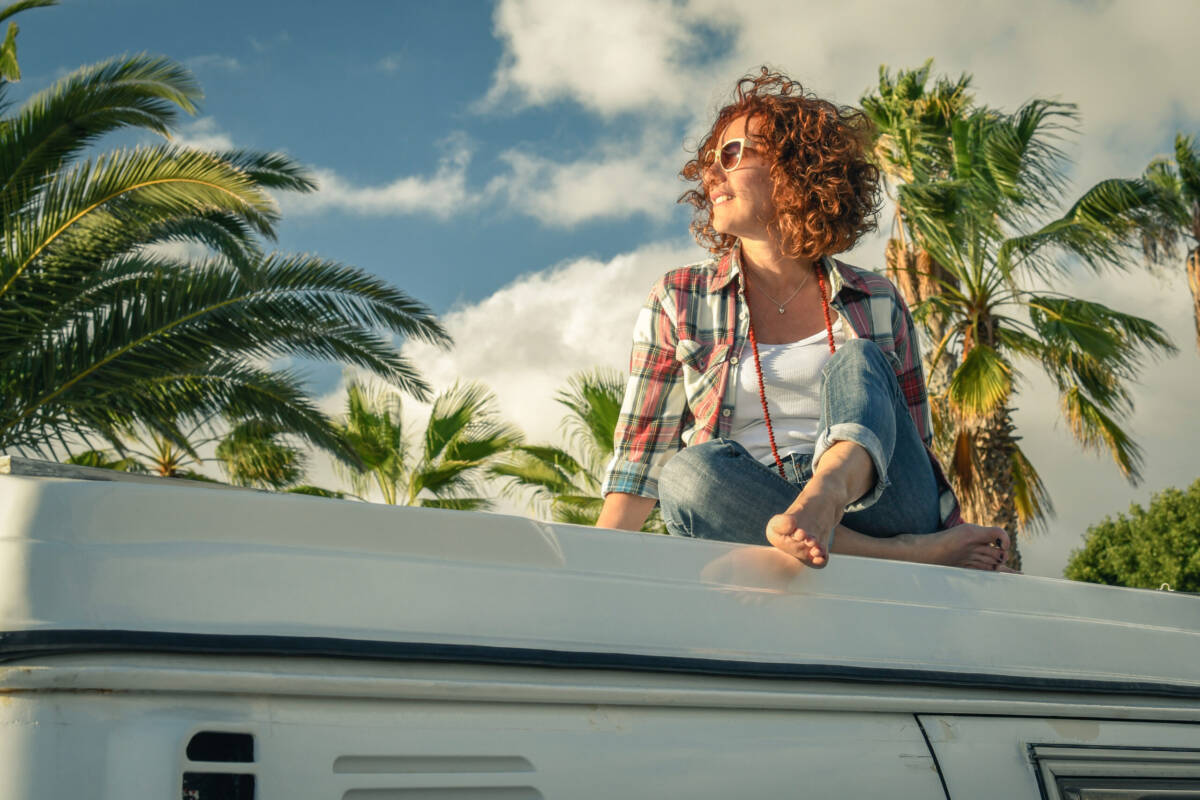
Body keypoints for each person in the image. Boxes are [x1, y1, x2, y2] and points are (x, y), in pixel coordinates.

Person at [595, 68, 1012, 572]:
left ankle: (824, 502)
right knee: (687, 473)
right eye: (708, 163)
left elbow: (910, 442)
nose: (711, 175)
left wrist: (833, 491)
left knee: (860, 358)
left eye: (731, 155)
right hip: (749, 503)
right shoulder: (680, 297)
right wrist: (586, 575)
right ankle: (892, 554)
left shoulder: (875, 299)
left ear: (797, 168)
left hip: (877, 500)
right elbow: (642, 463)